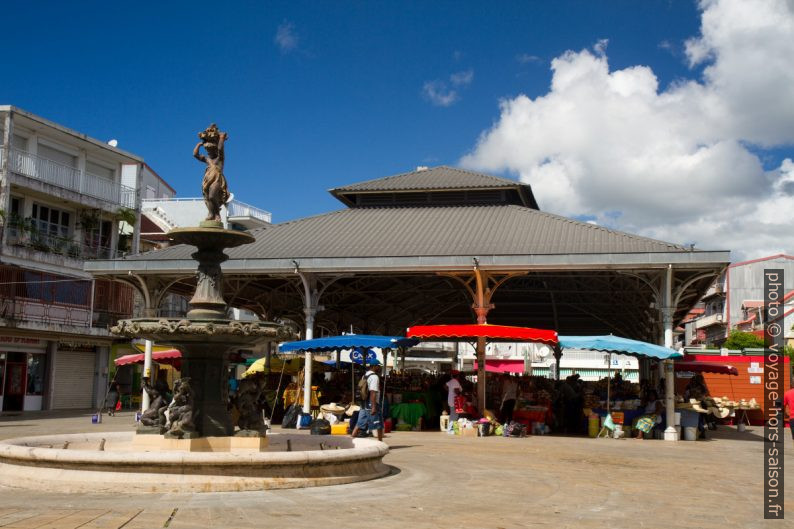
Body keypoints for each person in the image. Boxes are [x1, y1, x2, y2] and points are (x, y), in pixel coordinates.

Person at [351, 364, 384, 441]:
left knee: (360, 422)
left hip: (364, 402)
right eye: (378, 365)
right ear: (374, 366)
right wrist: (373, 407)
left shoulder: (365, 375)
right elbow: (373, 392)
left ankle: (352, 437)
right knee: (378, 423)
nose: (379, 367)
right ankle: (380, 442)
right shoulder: (374, 377)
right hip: (371, 402)